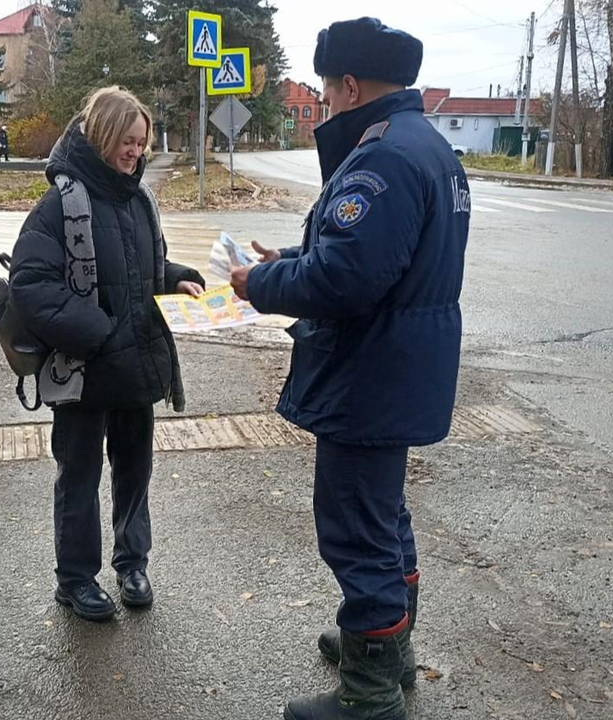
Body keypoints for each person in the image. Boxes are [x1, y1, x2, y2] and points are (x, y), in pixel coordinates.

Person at [230, 18, 470, 720]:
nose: (325, 103)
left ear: (351, 85)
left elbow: (347, 280)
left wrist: (258, 285)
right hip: (399, 362)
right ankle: (386, 649)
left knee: (355, 526)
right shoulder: (426, 146)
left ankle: (370, 693)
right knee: (382, 513)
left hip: (371, 370)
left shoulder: (382, 158)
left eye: (328, 89)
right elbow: (373, 261)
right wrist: (287, 263)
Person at [8, 87, 204, 622]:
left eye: (142, 143)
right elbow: (30, 283)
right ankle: (74, 581)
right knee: (79, 477)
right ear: (102, 136)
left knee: (134, 472)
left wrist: (177, 279)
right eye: (128, 141)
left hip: (136, 368)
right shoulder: (61, 205)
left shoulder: (139, 200)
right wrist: (97, 333)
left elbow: (143, 269)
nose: (136, 153)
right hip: (85, 372)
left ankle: (132, 564)